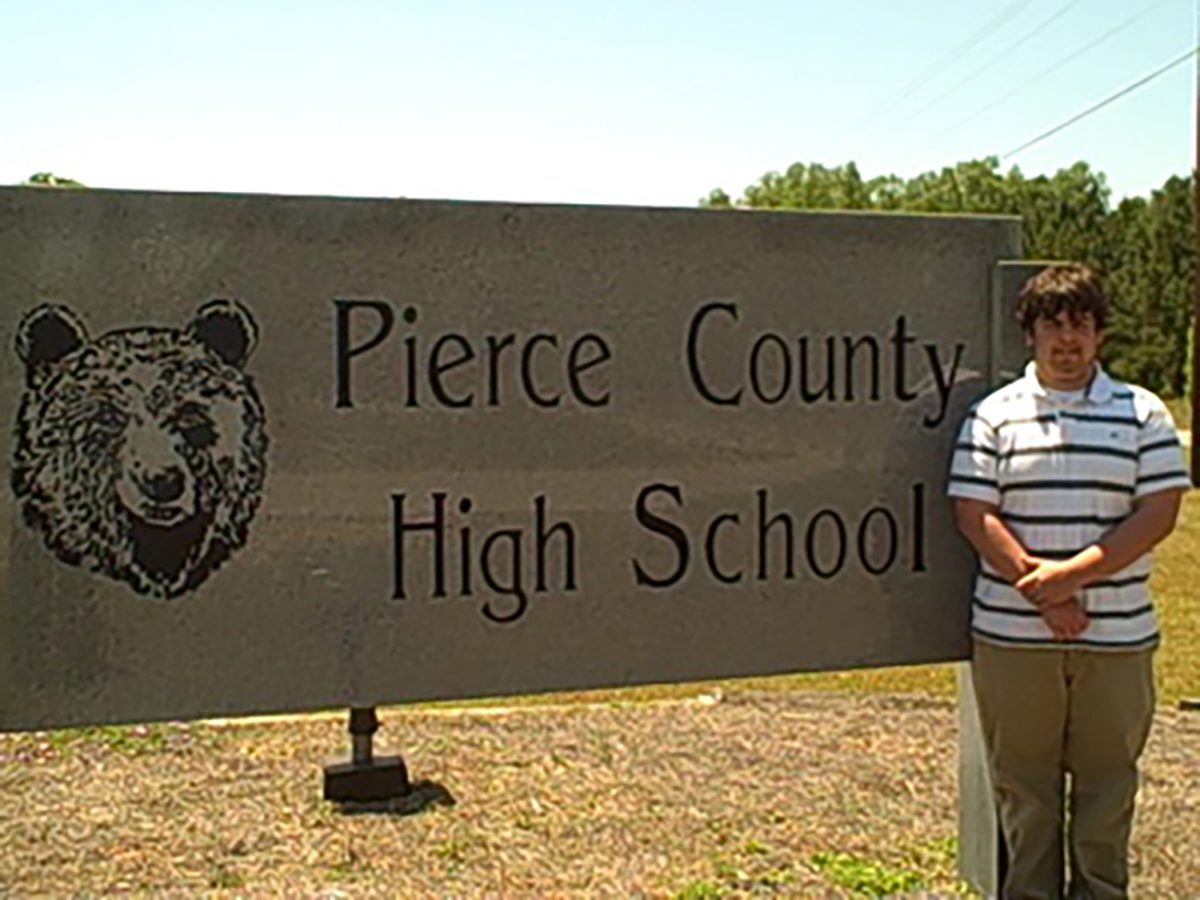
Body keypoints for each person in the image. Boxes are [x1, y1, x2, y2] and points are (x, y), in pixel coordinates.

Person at [947, 263, 1190, 899]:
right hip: (1013, 639)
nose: (1067, 339)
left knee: (1107, 792)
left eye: (1080, 324)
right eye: (1052, 325)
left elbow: (1159, 511)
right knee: (1024, 794)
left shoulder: (1143, 413)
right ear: (1029, 334)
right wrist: (1042, 591)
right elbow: (974, 512)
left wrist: (1072, 576)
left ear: (1100, 334)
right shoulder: (991, 416)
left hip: (1117, 641)